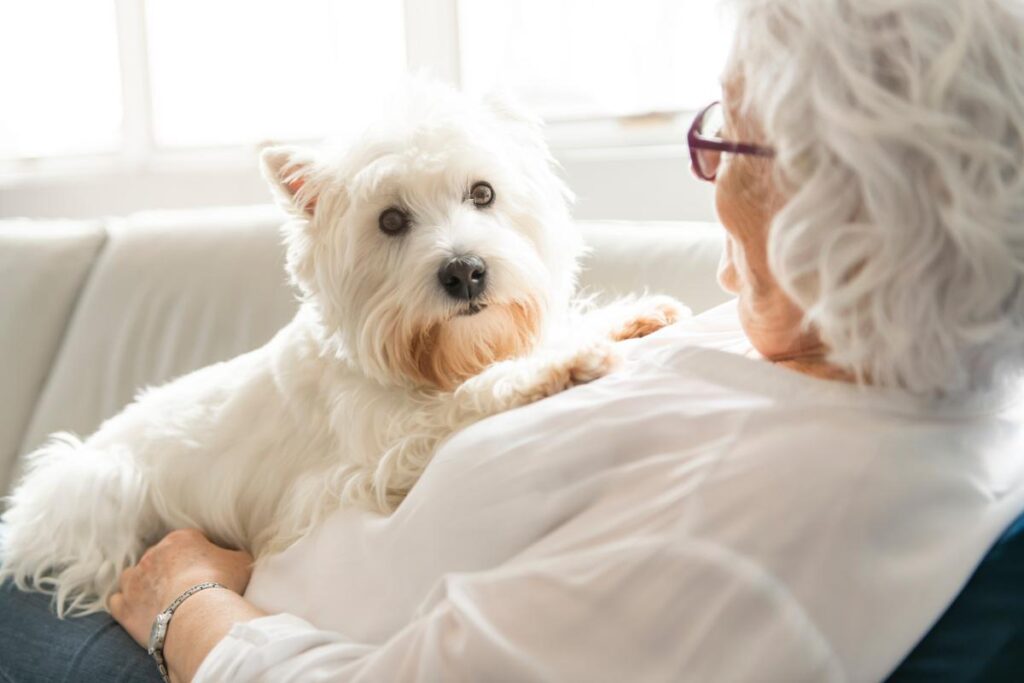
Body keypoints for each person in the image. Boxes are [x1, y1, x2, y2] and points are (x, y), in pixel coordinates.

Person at [3, 0, 1024, 680]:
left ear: (838, 199)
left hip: (172, 634)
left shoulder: (780, 525)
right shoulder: (844, 348)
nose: (705, 172)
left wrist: (183, 600)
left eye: (725, 132)